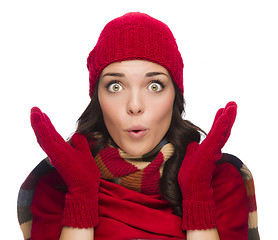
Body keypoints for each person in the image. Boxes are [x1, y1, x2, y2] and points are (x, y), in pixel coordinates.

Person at [17, 12, 260, 240]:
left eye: (155, 85)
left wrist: (198, 199)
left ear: (175, 95)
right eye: (115, 86)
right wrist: (80, 198)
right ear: (97, 98)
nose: (135, 105)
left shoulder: (223, 179)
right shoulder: (56, 181)